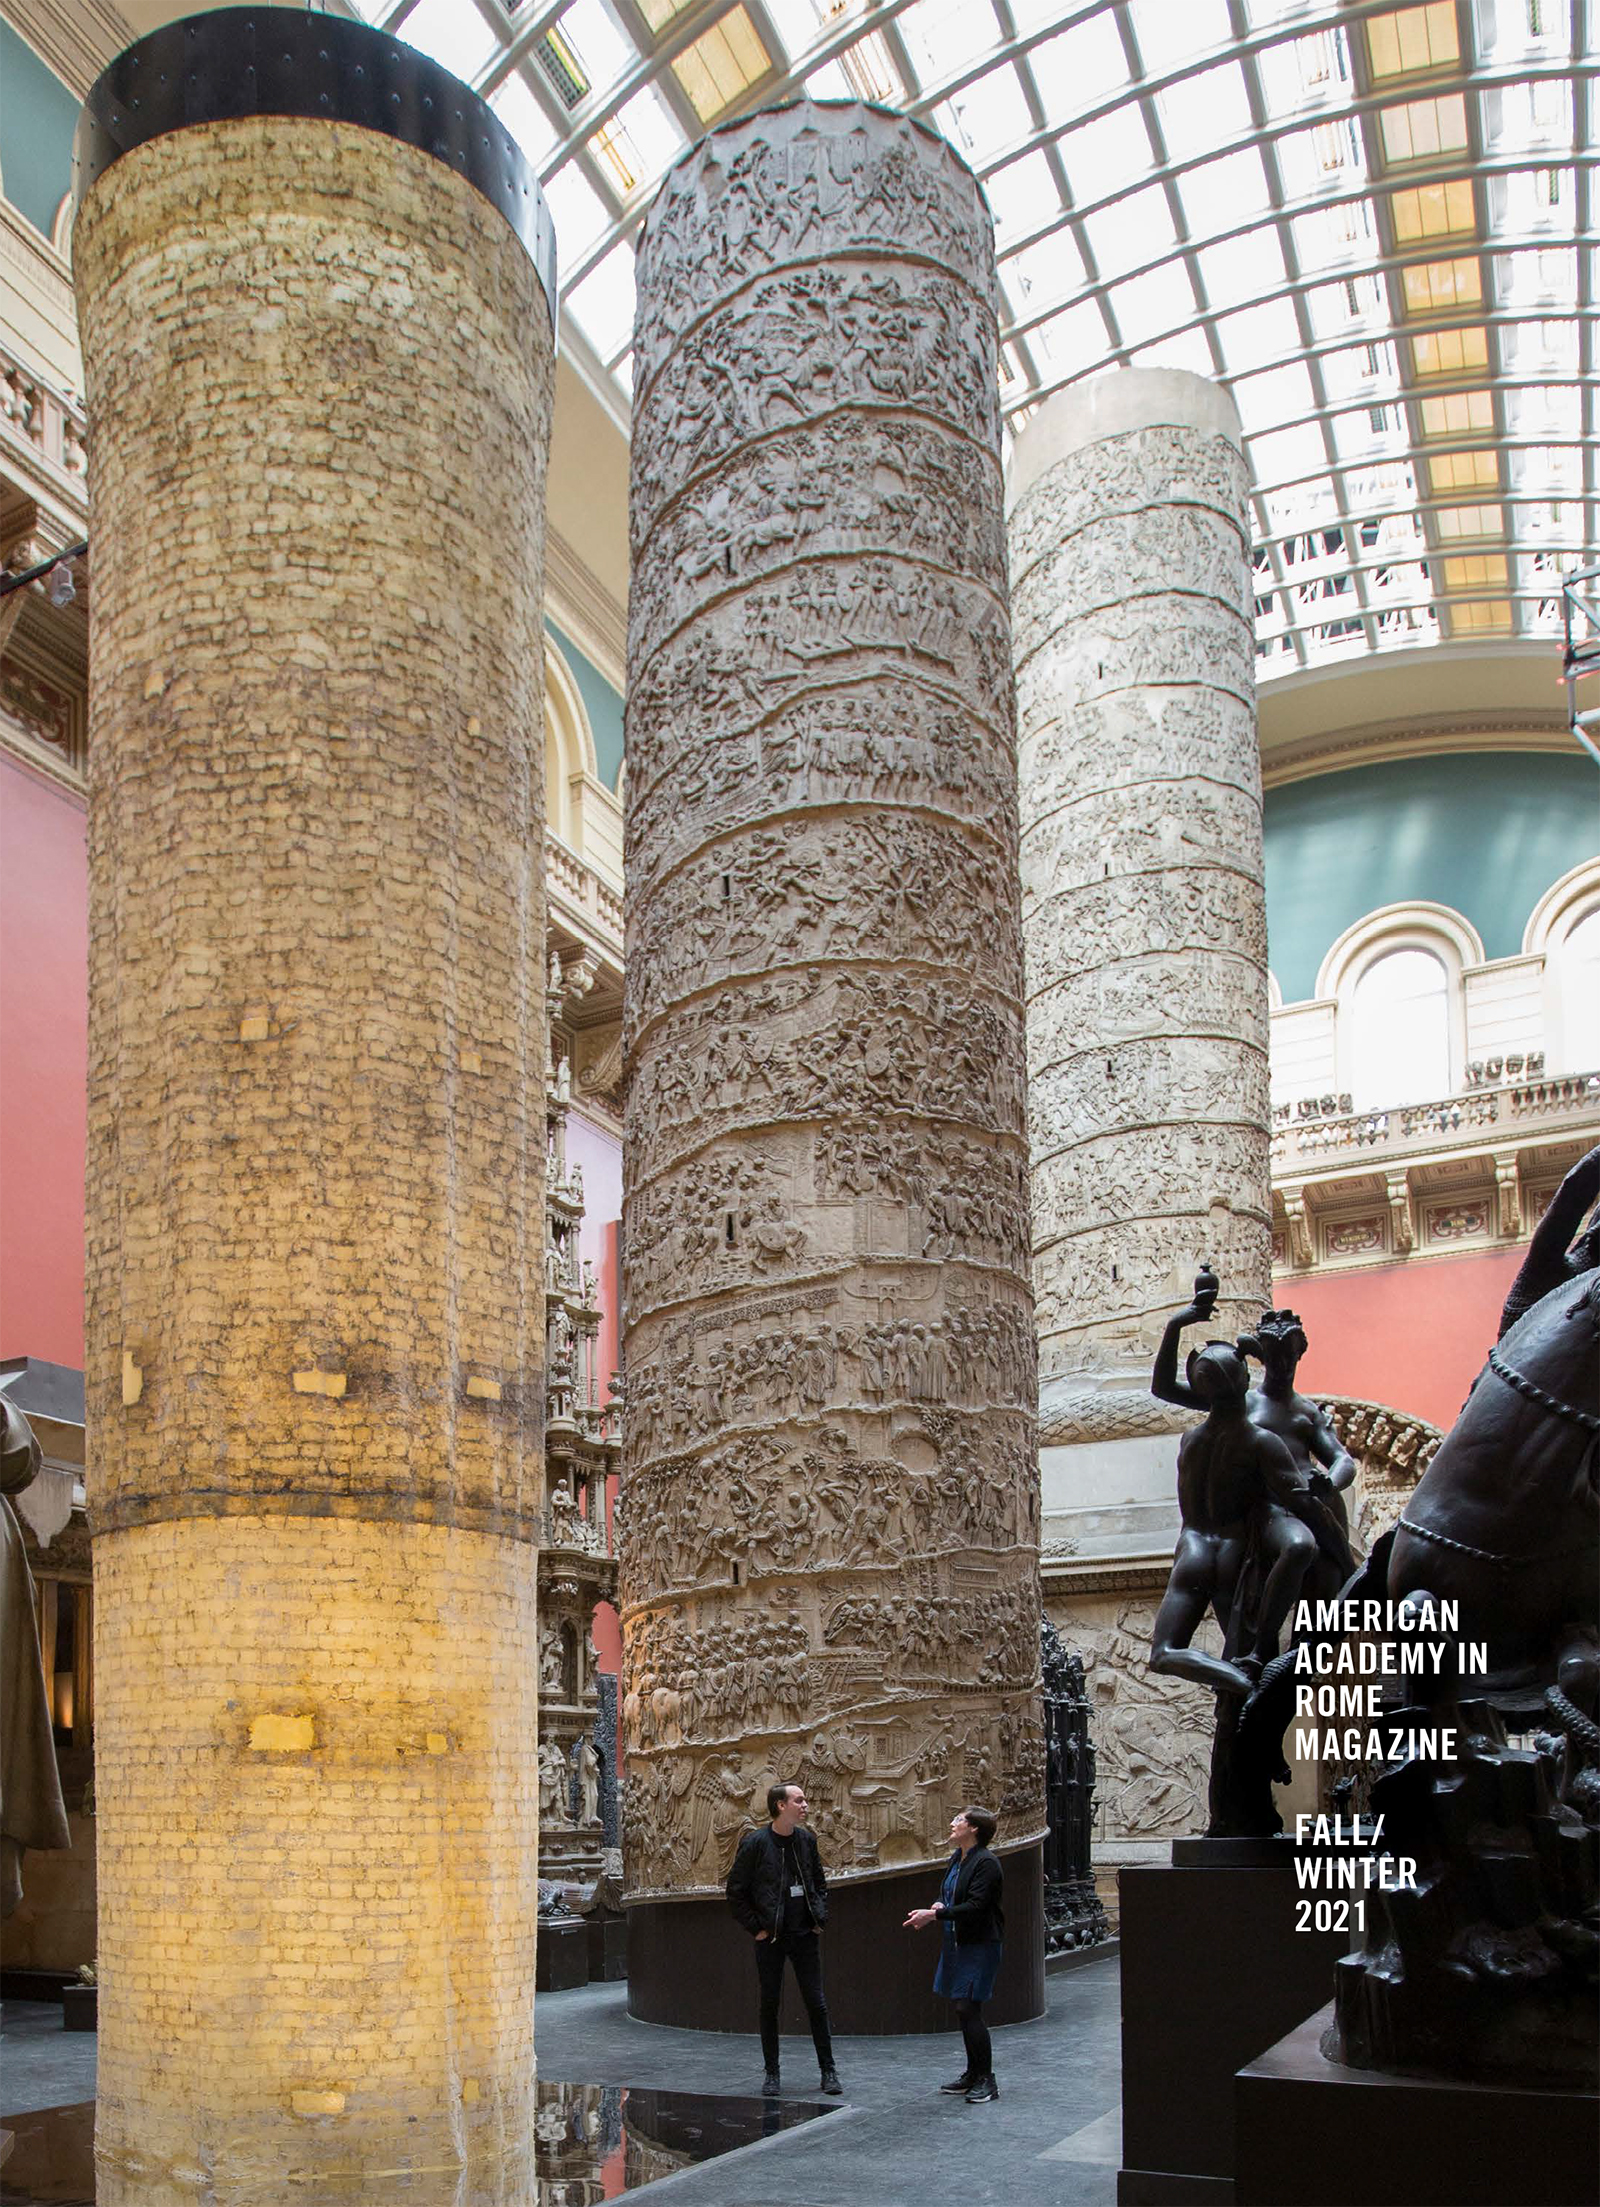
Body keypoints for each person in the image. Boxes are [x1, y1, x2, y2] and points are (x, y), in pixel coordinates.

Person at [725, 1781, 842, 2097]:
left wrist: (819, 1917)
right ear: (780, 1806)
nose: (805, 1805)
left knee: (816, 2003)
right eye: (799, 1800)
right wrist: (756, 1928)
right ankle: (772, 2073)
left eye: (804, 1800)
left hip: (804, 1934)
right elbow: (735, 1891)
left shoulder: (806, 1840)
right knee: (770, 2004)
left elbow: (818, 1882)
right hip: (771, 1938)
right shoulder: (756, 1844)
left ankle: (828, 2071)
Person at [903, 1805, 1004, 2103]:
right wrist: (938, 1905)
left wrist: (935, 1916)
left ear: (974, 1828)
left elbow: (976, 1906)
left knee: (968, 2007)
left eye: (959, 1820)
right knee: (964, 2008)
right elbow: (949, 1895)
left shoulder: (986, 1863)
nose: (952, 1823)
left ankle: (987, 2079)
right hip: (958, 1943)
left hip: (980, 1943)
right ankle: (973, 2073)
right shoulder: (956, 1859)